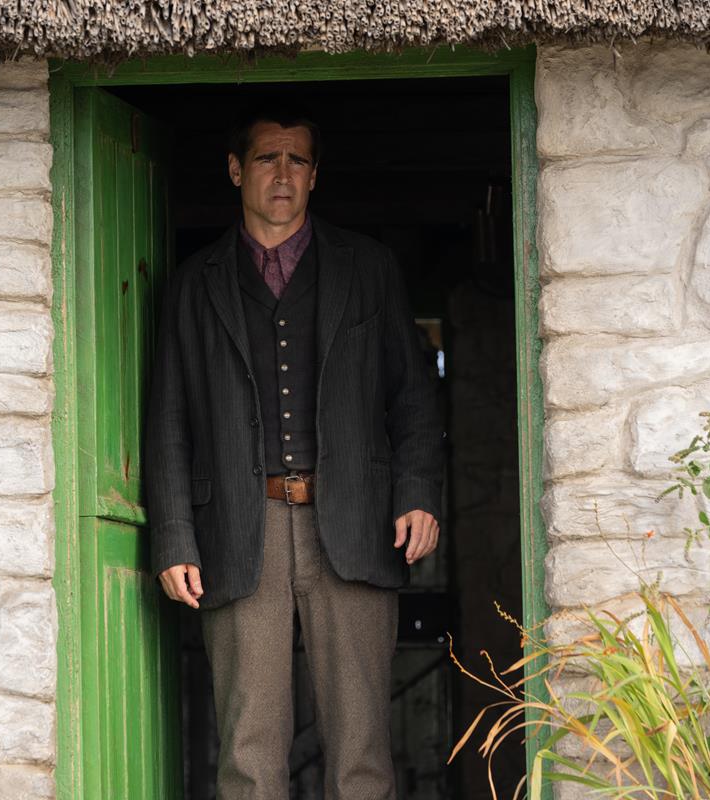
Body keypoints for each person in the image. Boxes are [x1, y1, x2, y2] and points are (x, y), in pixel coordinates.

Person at [143, 105, 445, 800]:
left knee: (362, 749)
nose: (283, 175)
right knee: (249, 753)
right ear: (234, 170)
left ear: (316, 174)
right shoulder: (196, 283)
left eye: (298, 161)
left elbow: (412, 396)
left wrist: (419, 491)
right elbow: (169, 422)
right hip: (239, 531)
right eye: (267, 160)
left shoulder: (368, 268)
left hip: (356, 523)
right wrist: (174, 537)